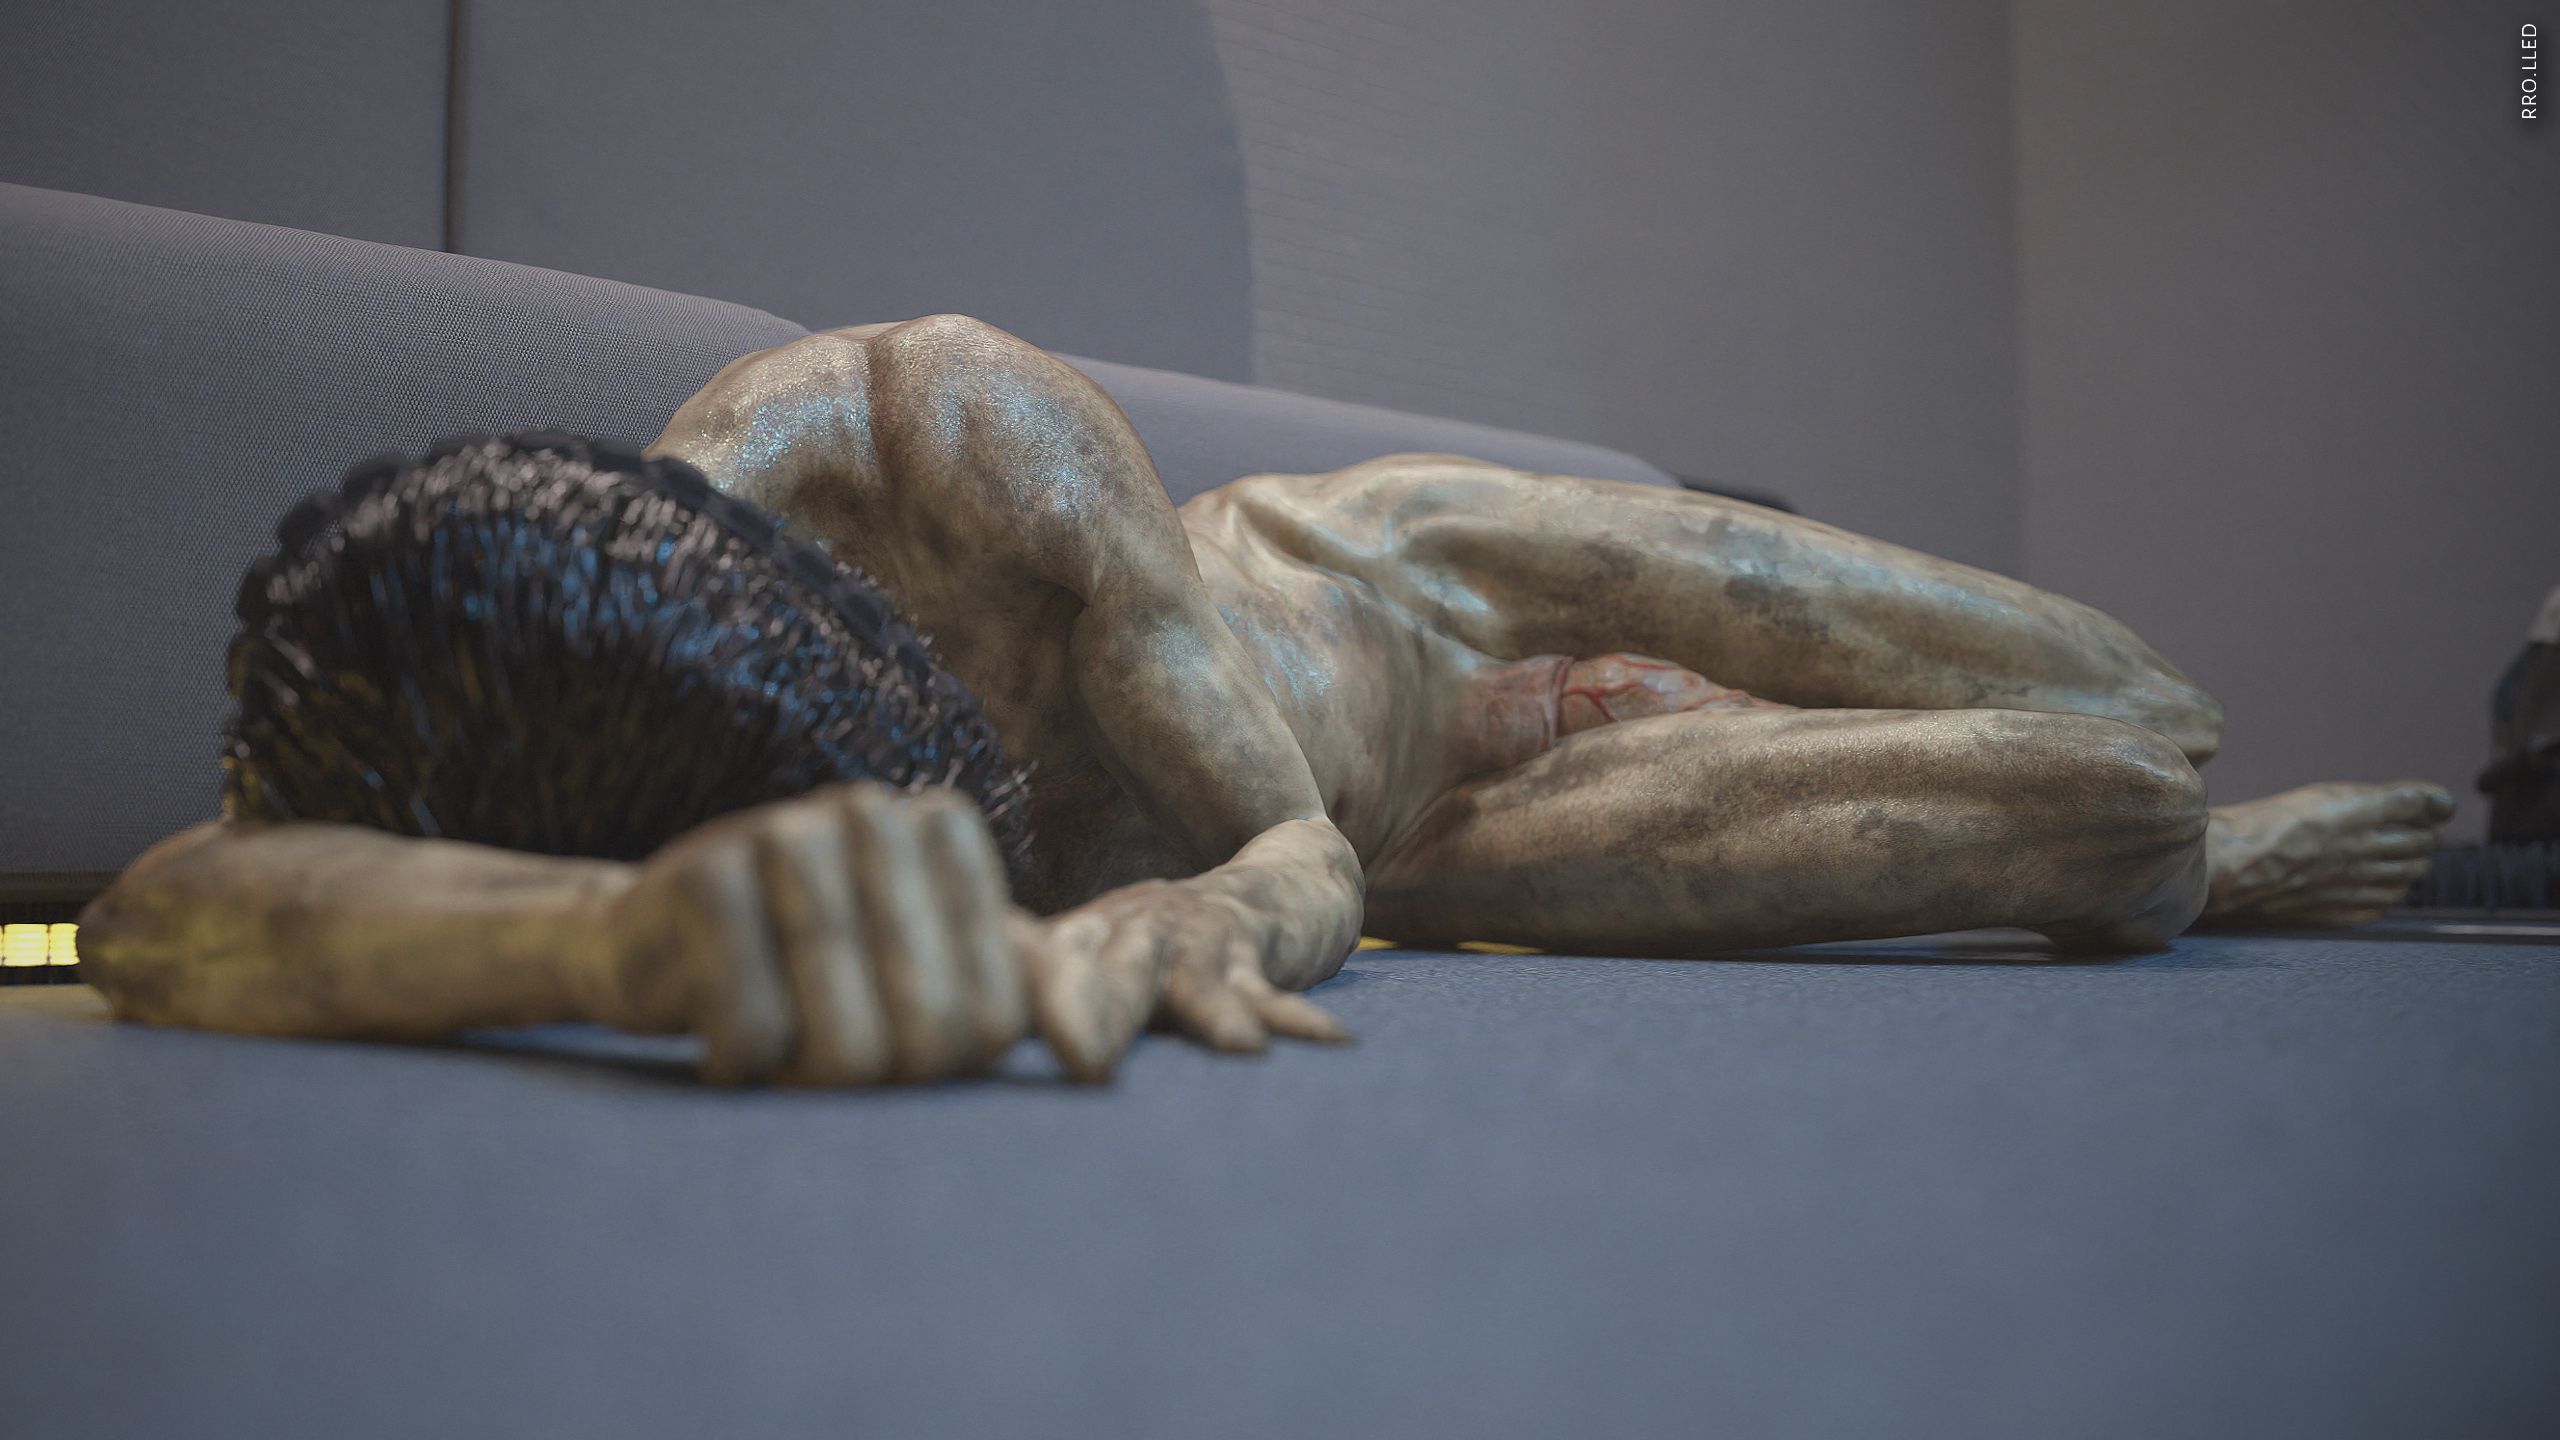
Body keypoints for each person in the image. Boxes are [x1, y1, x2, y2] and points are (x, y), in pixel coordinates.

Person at [78, 315, 2456, 1085]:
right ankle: (2215, 872)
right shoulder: (521, 695)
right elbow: (160, 915)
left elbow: (1288, 844)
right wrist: (605, 945)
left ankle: (2225, 821)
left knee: (2131, 682)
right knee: (2108, 808)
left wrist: (1206, 914)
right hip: (1446, 846)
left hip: (1384, 600)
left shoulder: (932, 429)